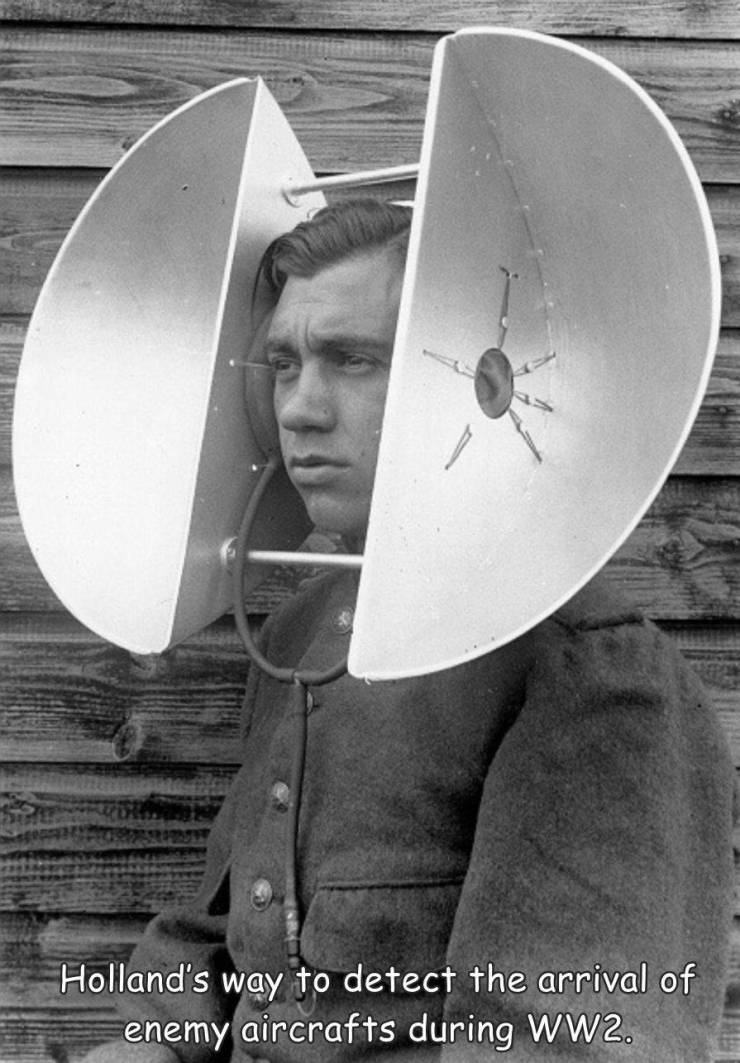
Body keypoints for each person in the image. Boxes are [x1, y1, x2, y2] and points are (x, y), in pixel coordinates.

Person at [83, 199, 734, 1063]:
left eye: (352, 360)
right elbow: (227, 933)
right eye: (283, 363)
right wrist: (151, 1046)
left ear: (458, 374)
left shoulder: (589, 668)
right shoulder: (303, 632)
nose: (300, 409)